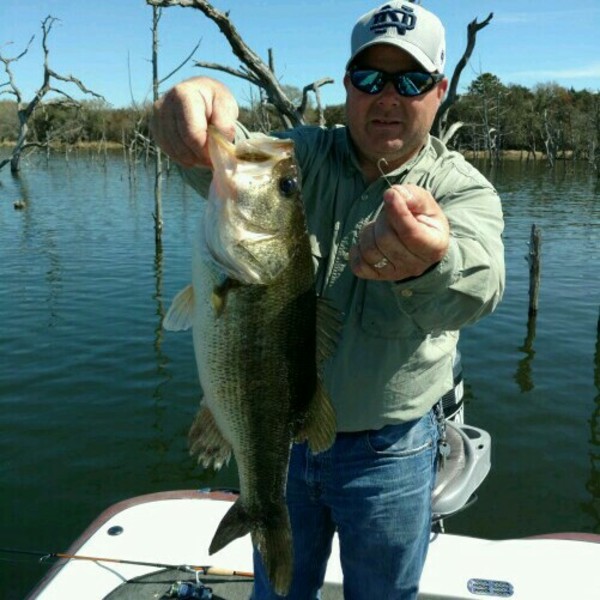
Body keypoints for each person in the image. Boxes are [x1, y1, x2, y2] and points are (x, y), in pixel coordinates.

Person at [151, 1, 505, 598]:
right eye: (370, 78)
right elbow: (229, 149)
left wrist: (434, 261)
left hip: (390, 453)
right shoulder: (298, 156)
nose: (388, 96)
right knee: (279, 592)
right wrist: (191, 105)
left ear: (439, 90)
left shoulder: (461, 186)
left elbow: (482, 285)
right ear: (347, 83)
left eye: (411, 80)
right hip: (277, 443)